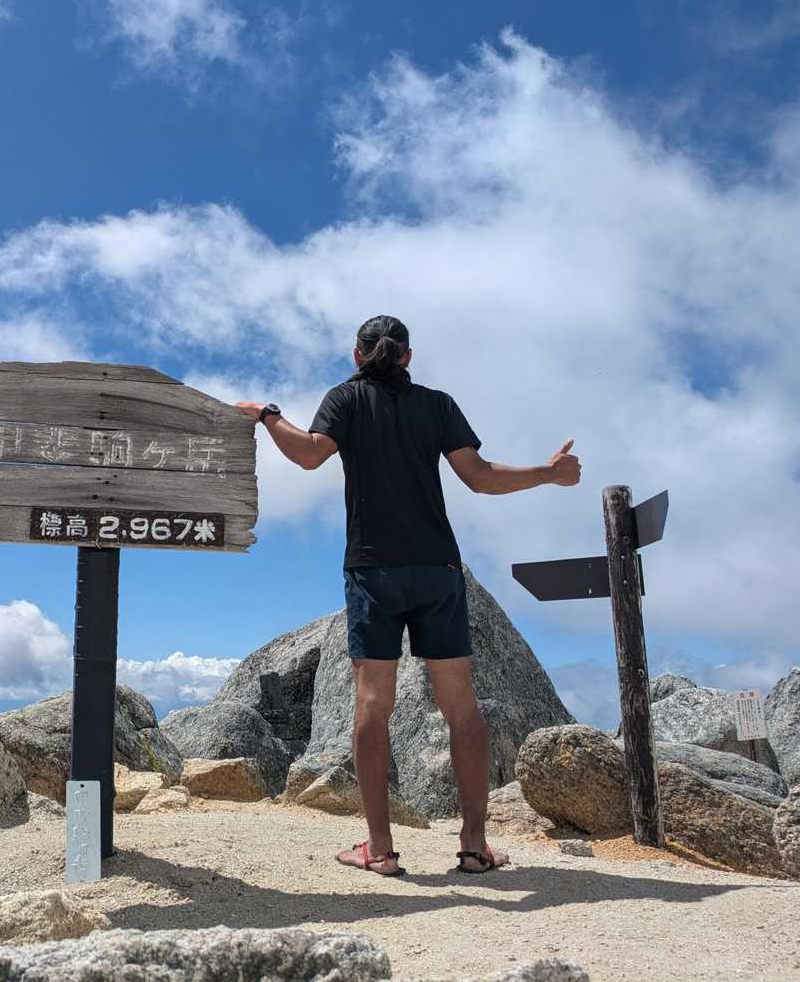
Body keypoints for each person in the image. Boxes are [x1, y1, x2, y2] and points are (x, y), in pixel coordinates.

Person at [236, 315, 580, 876]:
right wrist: (547, 472)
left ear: (357, 355)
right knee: (460, 707)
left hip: (373, 569)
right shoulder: (437, 405)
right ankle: (474, 846)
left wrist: (265, 413)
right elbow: (480, 477)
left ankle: (380, 849)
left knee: (373, 704)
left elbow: (308, 454)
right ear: (408, 357)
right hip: (436, 568)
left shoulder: (345, 399)